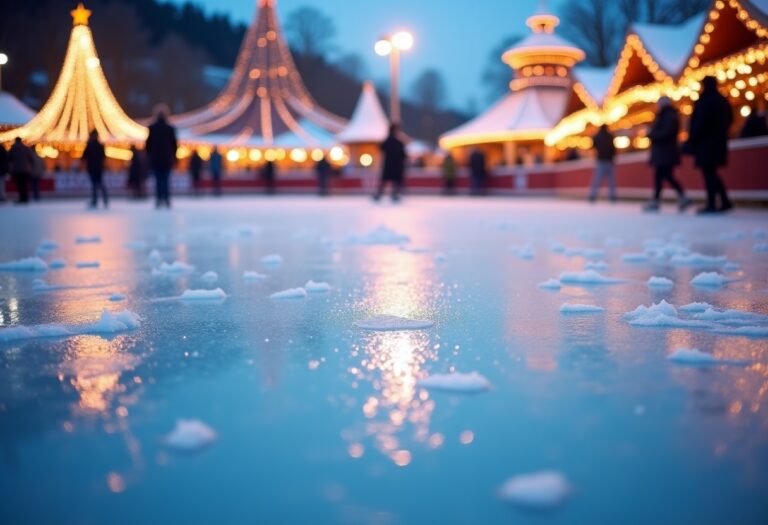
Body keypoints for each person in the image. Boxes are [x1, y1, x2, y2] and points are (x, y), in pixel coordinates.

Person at [686, 76, 734, 214]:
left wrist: (693, 139)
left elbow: (699, 123)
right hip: (718, 142)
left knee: (709, 173)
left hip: (706, 143)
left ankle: (712, 203)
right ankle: (724, 201)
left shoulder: (705, 101)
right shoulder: (722, 100)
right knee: (712, 173)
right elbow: (730, 119)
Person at [644, 97, 692, 212]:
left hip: (665, 153)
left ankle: (681, 197)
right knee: (661, 177)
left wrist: (651, 134)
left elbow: (666, 133)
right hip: (664, 153)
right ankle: (658, 200)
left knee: (665, 176)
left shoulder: (669, 116)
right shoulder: (666, 116)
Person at [145, 105, 178, 208]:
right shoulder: (170, 129)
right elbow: (174, 145)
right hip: (167, 159)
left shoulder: (152, 128)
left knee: (159, 180)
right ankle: (166, 199)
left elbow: (148, 145)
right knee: (165, 181)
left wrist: (150, 156)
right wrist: (173, 157)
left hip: (156, 160)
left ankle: (159, 199)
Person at [374, 124, 406, 202]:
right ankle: (393, 195)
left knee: (385, 181)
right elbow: (403, 155)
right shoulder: (399, 143)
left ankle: (379, 195)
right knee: (394, 181)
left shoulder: (388, 141)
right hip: (395, 166)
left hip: (388, 165)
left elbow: (381, 148)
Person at [588, 124, 617, 202]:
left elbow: (592, 145)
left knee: (597, 179)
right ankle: (613, 196)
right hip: (609, 160)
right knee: (611, 180)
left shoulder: (598, 136)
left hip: (600, 160)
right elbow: (613, 149)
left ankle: (592, 195)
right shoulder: (610, 136)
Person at [82, 130, 108, 209]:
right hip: (97, 168)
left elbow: (83, 157)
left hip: (94, 168)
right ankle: (102, 199)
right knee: (98, 184)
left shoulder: (91, 145)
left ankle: (96, 200)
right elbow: (104, 157)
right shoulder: (99, 145)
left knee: (96, 184)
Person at [8, 137, 34, 204]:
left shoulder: (13, 148)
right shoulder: (26, 148)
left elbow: (9, 158)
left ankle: (22, 198)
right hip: (26, 170)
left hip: (17, 170)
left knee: (19, 185)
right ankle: (25, 198)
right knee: (24, 184)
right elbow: (31, 158)